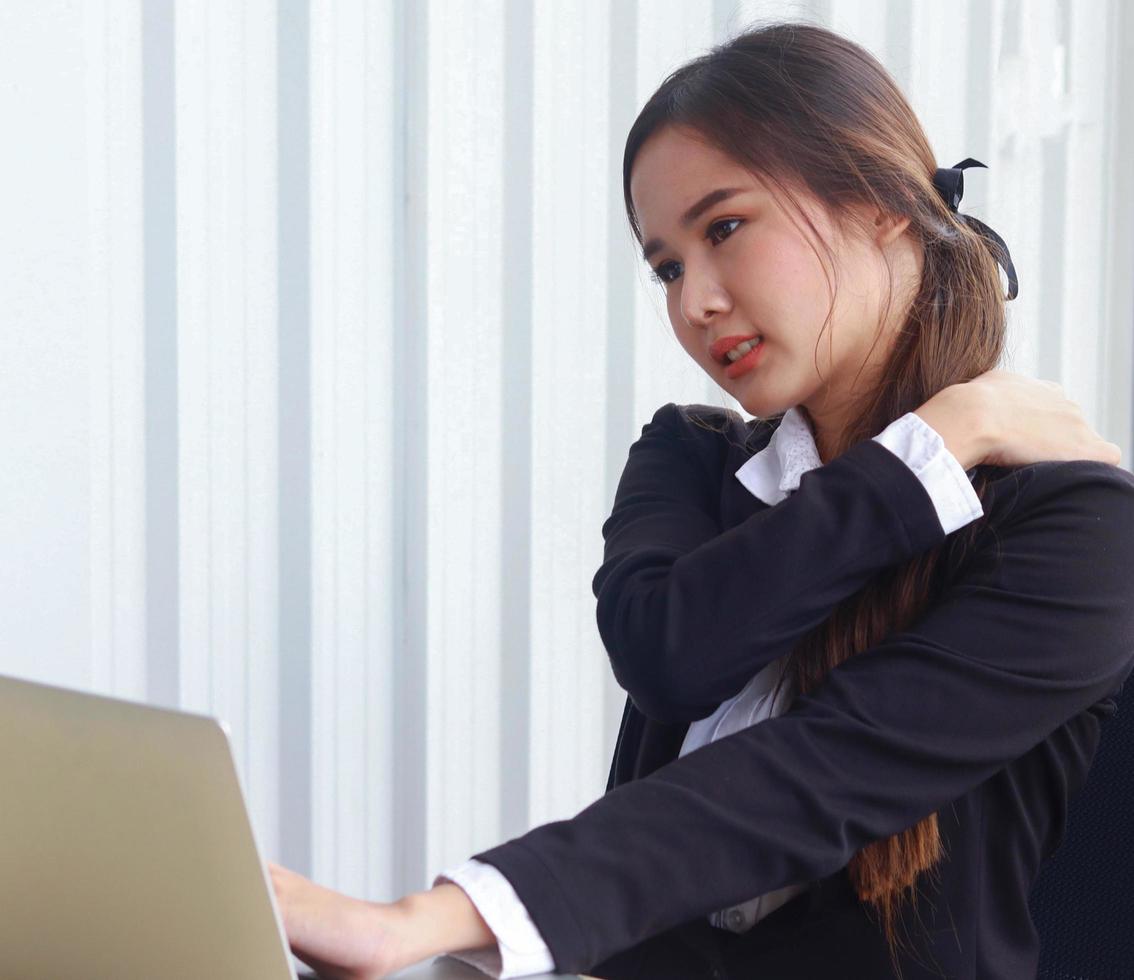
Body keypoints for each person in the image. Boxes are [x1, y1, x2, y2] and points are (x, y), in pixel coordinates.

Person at [268, 20, 1134, 980]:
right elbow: (674, 655)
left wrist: (421, 920)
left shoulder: (1079, 528)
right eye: (668, 266)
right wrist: (938, 443)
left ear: (882, 205)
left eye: (725, 229)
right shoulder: (691, 458)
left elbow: (810, 778)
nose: (695, 303)